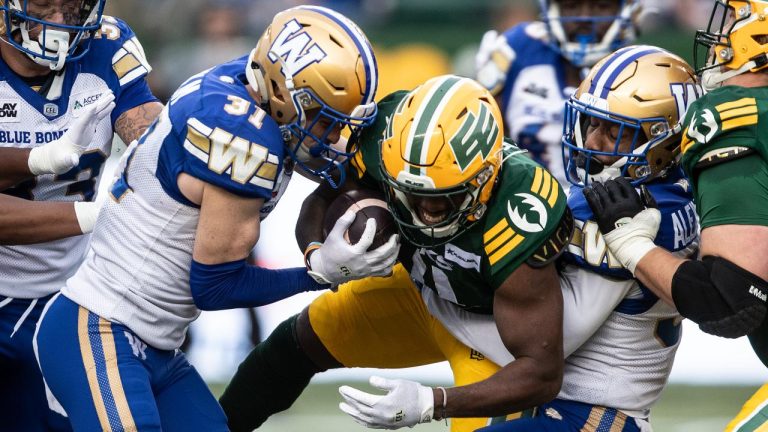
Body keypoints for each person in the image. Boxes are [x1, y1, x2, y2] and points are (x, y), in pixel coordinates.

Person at [34, 5, 392, 432]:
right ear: (282, 93)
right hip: (97, 328)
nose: (331, 136)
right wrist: (317, 274)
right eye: (322, 117)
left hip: (156, 344)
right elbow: (214, 286)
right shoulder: (242, 138)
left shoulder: (243, 83)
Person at [220, 75, 573, 432]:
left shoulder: (520, 209)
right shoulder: (385, 138)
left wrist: (433, 402)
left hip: (491, 332)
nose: (423, 209)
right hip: (421, 292)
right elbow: (323, 197)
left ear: (485, 177)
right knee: (291, 346)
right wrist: (318, 257)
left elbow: (542, 373)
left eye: (442, 196)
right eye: (408, 191)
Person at [475, 45, 701, 431]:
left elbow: (541, 343)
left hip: (591, 413)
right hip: (570, 411)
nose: (593, 142)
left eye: (614, 131)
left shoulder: (642, 208)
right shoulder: (668, 193)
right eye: (592, 124)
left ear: (663, 139)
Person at [582, 1, 768, 430]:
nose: (720, 39)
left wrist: (632, 246)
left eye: (733, 24)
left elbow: (731, 302)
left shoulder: (734, 111)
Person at [0, 1, 163, 430]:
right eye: (44, 6)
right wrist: (99, 215)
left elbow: (155, 145)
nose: (59, 24)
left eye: (71, 8)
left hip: (68, 293)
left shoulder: (107, 45)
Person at [475, 0, 641, 185]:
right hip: (524, 202)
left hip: (604, 207)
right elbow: (481, 145)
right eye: (571, 5)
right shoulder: (516, 51)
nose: (584, 18)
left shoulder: (644, 70)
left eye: (601, 6)